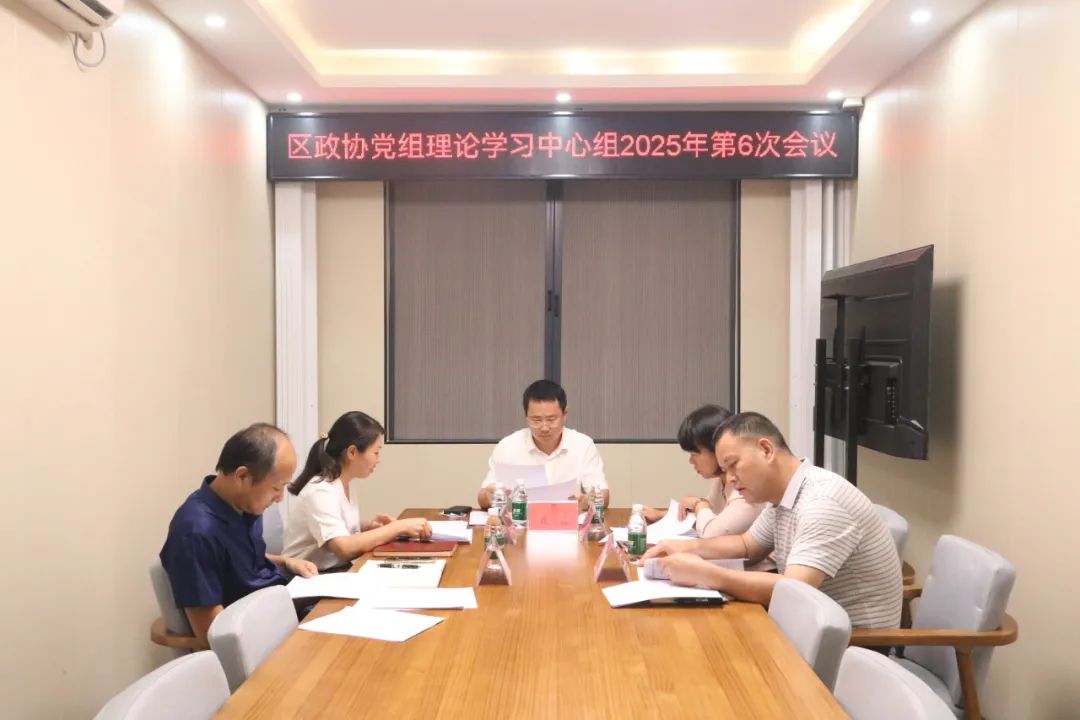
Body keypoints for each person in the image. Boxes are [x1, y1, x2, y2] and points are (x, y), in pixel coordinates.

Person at [640, 412, 902, 628]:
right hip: (806, 627)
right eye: (725, 469)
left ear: (766, 449)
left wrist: (706, 574)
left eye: (733, 465)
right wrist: (684, 547)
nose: (730, 478)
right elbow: (747, 546)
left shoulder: (823, 501)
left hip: (852, 649)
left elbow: (794, 590)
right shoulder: (785, 494)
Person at [160, 423, 319, 648]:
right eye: (276, 488)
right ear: (242, 476)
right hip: (265, 636)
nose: (280, 498)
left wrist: (285, 561)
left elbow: (236, 558)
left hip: (282, 605)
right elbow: (215, 636)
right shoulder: (196, 533)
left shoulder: (242, 504)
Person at [283, 411, 431, 571]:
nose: (378, 460)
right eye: (376, 452)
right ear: (352, 452)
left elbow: (335, 530)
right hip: (307, 576)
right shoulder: (320, 490)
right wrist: (396, 528)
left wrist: (369, 527)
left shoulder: (344, 482)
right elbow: (344, 548)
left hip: (333, 571)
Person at [643, 404, 774, 572]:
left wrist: (700, 504)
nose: (691, 461)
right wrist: (663, 515)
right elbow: (708, 519)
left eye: (695, 454)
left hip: (759, 573)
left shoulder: (746, 488)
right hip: (737, 569)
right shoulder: (722, 481)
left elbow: (711, 533)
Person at [478, 379, 607, 511]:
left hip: (569, 521)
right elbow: (483, 496)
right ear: (526, 417)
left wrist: (587, 501)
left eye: (551, 419)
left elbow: (603, 494)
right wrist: (491, 496)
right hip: (522, 521)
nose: (544, 428)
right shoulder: (508, 446)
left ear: (565, 415)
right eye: (536, 420)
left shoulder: (583, 445)